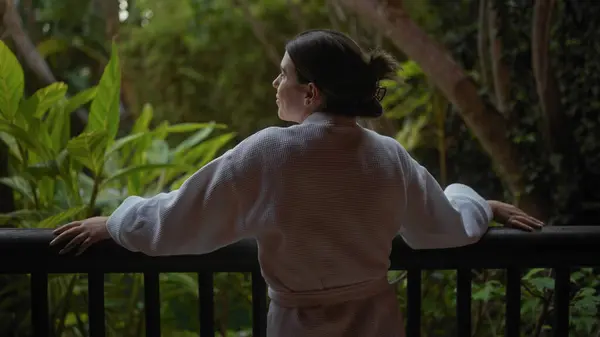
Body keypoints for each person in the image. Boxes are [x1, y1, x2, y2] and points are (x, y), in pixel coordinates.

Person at [51, 29, 544, 337]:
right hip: (377, 322)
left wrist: (115, 221)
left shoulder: (272, 152)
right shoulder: (386, 156)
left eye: (283, 74)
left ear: (310, 92)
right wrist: (480, 203)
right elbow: (443, 226)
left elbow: (181, 216)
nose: (275, 83)